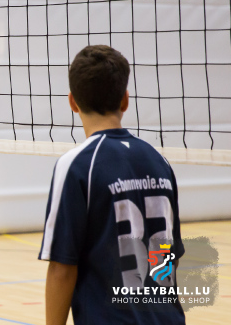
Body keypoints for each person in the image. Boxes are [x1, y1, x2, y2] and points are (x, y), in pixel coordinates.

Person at [39, 45, 185, 325]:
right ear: (125, 100)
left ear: (72, 102)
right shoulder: (160, 161)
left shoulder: (76, 165)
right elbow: (172, 257)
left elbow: (61, 268)